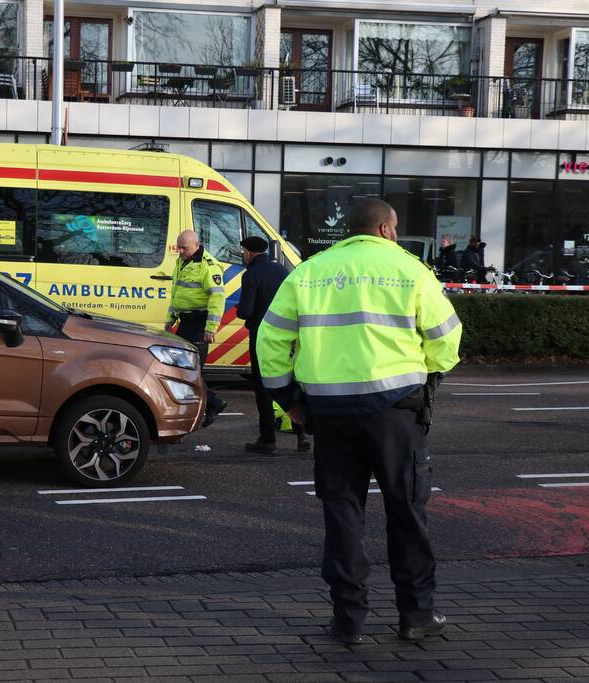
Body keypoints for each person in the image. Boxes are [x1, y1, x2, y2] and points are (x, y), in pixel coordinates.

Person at [257, 198, 462, 644]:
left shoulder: (310, 271)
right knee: (406, 513)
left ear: (350, 230)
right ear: (388, 228)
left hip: (329, 415)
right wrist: (428, 377)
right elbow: (446, 338)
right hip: (397, 415)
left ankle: (348, 620)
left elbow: (270, 339)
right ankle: (417, 616)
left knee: (343, 517)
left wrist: (286, 401)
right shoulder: (411, 271)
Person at [235, 235, 310, 454]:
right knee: (290, 384)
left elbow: (246, 311)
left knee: (263, 389)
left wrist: (241, 310)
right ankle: (302, 433)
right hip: (288, 337)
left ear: (249, 253)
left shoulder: (251, 275)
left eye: (243, 253)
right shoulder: (281, 271)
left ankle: (267, 439)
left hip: (261, 338)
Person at [164, 230, 227, 428]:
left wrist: (211, 327)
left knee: (192, 371)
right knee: (181, 369)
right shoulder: (183, 261)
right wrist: (171, 319)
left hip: (200, 324)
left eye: (184, 247)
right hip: (185, 322)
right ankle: (209, 405)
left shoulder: (208, 266)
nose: (180, 251)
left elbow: (217, 298)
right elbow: (178, 293)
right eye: (178, 247)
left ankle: (212, 404)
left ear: (197, 244)